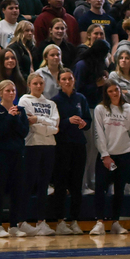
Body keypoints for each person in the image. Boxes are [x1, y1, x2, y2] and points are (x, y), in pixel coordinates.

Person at [91, 80, 130, 235]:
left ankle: (115, 222)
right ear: (106, 93)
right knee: (101, 188)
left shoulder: (129, 109)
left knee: (119, 190)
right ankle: (100, 222)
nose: (114, 93)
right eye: (111, 91)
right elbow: (98, 133)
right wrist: (105, 155)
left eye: (117, 90)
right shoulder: (100, 109)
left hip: (124, 154)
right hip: (107, 155)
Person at [0, 78, 28, 237]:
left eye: (13, 90)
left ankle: (14, 225)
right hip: (0, 155)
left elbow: (23, 132)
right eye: (8, 90)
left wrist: (15, 118)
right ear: (0, 93)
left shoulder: (21, 111)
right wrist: (9, 117)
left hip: (17, 154)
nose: (11, 93)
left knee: (17, 190)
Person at [18, 71, 57, 235]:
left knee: (44, 184)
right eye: (35, 83)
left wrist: (40, 120)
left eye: (41, 83)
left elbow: (56, 127)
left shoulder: (51, 104)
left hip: (49, 145)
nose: (38, 86)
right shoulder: (24, 100)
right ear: (29, 85)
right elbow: (28, 123)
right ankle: (21, 221)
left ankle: (42, 221)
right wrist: (47, 126)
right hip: (32, 145)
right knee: (28, 183)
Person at [51, 66, 89, 235]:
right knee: (61, 184)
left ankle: (74, 220)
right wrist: (68, 121)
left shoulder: (80, 98)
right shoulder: (55, 101)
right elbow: (54, 124)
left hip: (79, 145)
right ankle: (59, 221)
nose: (67, 81)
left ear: (74, 80)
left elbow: (88, 119)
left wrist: (83, 123)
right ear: (59, 82)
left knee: (76, 184)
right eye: (64, 79)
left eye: (70, 79)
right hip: (62, 146)